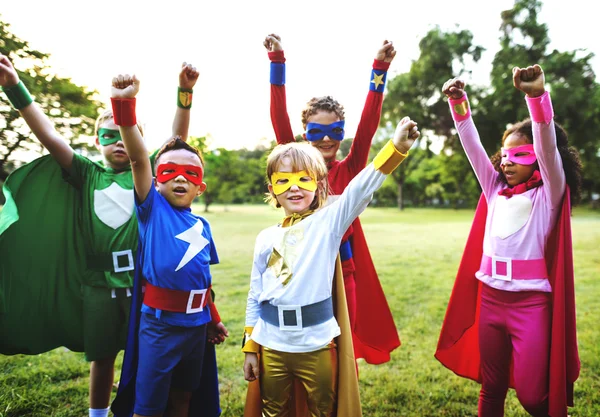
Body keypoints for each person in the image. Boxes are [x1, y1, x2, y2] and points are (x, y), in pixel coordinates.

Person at [0, 53, 204, 417]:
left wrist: (183, 94)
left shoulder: (146, 179)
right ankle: (97, 413)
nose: (119, 143)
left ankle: (146, 404)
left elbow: (177, 142)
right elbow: (47, 135)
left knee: (147, 352)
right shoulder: (85, 173)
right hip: (97, 283)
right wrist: (16, 87)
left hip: (141, 281)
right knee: (102, 355)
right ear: (97, 140)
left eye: (126, 135)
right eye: (109, 136)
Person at [242, 116, 419, 417]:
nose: (294, 189)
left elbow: (360, 188)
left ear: (318, 183)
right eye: (284, 180)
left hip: (317, 344)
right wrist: (250, 346)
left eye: (303, 179)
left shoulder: (328, 224)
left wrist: (396, 148)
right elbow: (255, 294)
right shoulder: (265, 238)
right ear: (271, 188)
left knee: (325, 410)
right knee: (272, 411)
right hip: (271, 344)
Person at [435, 65, 582, 417]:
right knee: (492, 387)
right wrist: (459, 105)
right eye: (505, 155)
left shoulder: (550, 194)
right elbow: (473, 148)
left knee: (533, 397)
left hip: (530, 305)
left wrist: (536, 98)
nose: (507, 162)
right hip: (490, 300)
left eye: (520, 155)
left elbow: (547, 147)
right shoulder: (494, 190)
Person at [263, 33, 400, 365]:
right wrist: (277, 62)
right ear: (303, 133)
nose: (325, 139)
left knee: (344, 343)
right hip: (302, 266)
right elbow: (278, 117)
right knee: (307, 342)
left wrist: (379, 68)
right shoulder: (295, 162)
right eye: (316, 131)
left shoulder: (351, 166)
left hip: (345, 265)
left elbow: (369, 126)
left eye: (334, 131)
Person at [108, 73, 227, 417]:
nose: (179, 177)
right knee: (149, 403)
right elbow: (139, 158)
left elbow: (203, 280)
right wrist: (124, 105)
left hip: (195, 327)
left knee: (184, 398)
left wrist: (212, 319)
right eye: (169, 171)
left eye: (190, 174)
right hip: (159, 328)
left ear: (200, 188)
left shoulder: (202, 225)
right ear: (156, 181)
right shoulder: (152, 210)